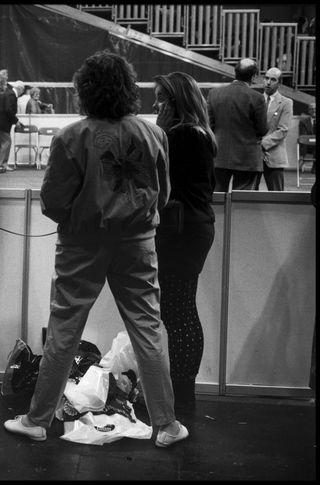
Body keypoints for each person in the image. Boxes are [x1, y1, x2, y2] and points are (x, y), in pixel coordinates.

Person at [3, 51, 188, 448]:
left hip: (82, 244)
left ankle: (38, 420)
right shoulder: (154, 133)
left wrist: (80, 216)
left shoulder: (71, 137)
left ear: (84, 90)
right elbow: (165, 193)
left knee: (65, 329)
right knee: (148, 328)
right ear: (128, 88)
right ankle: (168, 425)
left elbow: (53, 200)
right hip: (138, 243)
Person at [153, 71, 217, 417]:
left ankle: (182, 394)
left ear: (176, 101)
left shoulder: (179, 136)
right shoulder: (198, 133)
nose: (156, 104)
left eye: (161, 98)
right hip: (192, 230)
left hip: (181, 232)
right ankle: (181, 391)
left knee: (178, 313)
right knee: (179, 310)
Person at [207, 58, 267, 191]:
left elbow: (208, 126)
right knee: (243, 205)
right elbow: (262, 130)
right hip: (247, 158)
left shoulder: (214, 94)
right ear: (254, 76)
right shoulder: (257, 97)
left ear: (235, 72)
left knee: (217, 201)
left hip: (219, 156)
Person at [259, 67, 293, 191]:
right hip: (254, 156)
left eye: (273, 79)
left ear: (279, 83)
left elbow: (283, 130)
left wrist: (262, 144)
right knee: (249, 195)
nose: (268, 82)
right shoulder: (255, 99)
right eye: (266, 78)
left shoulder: (286, 103)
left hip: (274, 155)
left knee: (276, 196)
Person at [0, 80, 25, 173]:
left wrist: (15, 120)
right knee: (6, 143)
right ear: (20, 88)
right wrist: (16, 121)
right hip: (3, 123)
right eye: (23, 89)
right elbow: (8, 110)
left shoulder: (8, 93)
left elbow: (7, 109)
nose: (23, 91)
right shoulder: (11, 95)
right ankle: (2, 165)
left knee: (1, 145)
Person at [298, 102, 315, 173]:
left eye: (315, 109)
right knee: (303, 142)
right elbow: (303, 136)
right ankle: (303, 160)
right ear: (309, 111)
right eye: (312, 109)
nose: (314, 110)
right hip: (308, 145)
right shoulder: (303, 122)